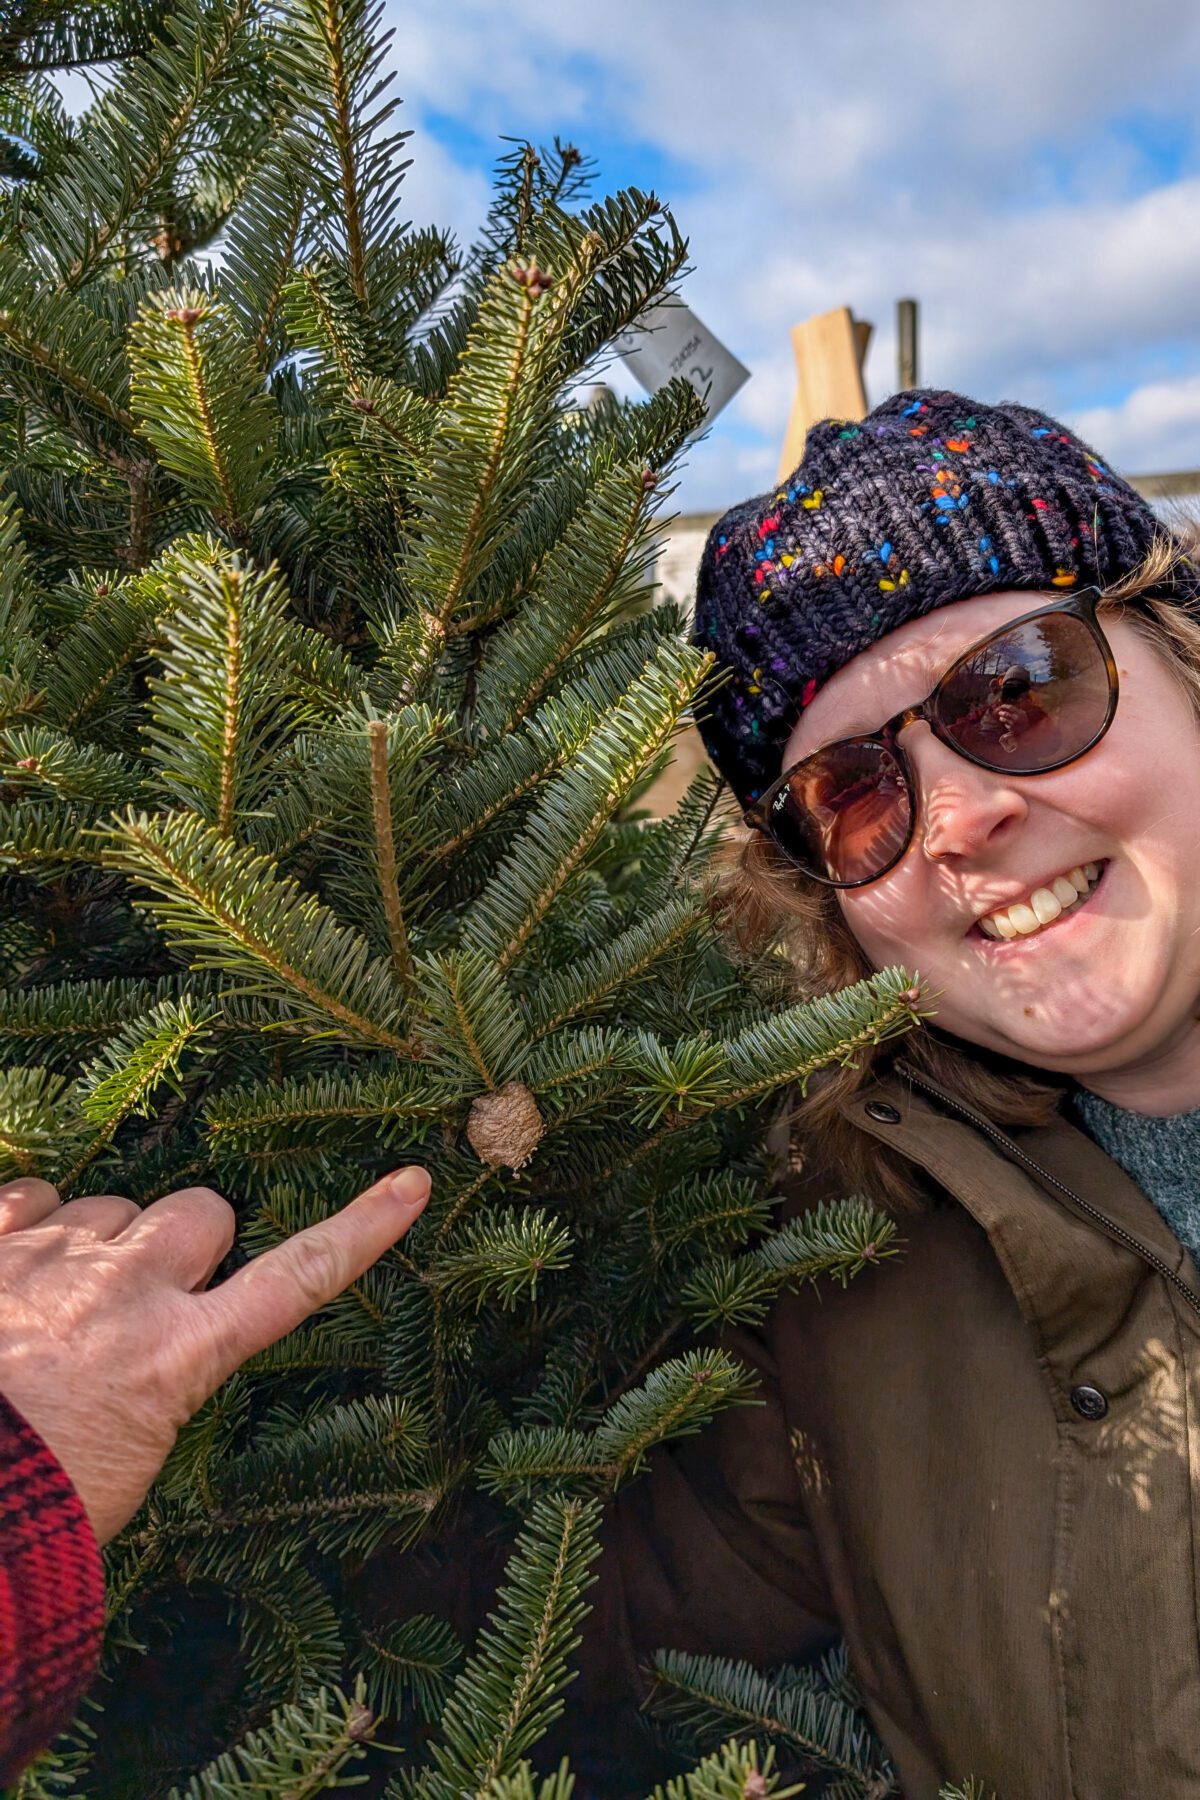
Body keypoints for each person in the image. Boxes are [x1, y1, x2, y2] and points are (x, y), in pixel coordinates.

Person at [6, 388, 1200, 1798]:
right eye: (854, 794)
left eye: (1022, 688)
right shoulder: (842, 1261)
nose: (958, 817)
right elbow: (552, 1638)